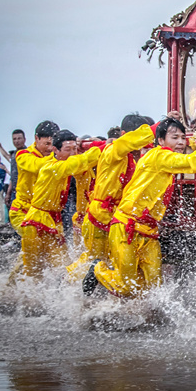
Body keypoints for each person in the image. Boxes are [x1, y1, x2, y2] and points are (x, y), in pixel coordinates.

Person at [85, 118, 196, 298]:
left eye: (183, 138)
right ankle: (98, 269)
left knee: (154, 290)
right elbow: (193, 162)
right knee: (126, 288)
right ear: (160, 141)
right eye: (175, 137)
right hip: (126, 227)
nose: (181, 142)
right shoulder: (159, 156)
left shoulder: (165, 159)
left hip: (148, 231)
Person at [66, 114, 155, 279]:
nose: (140, 141)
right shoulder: (113, 150)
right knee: (93, 260)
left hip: (115, 219)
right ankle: (65, 285)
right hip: (98, 216)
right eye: (136, 136)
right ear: (124, 135)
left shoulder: (134, 159)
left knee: (111, 262)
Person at [19, 130, 102, 278]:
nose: (72, 153)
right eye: (67, 149)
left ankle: (59, 298)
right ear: (55, 150)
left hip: (53, 222)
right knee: (32, 272)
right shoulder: (52, 167)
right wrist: (104, 146)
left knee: (63, 266)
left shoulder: (64, 165)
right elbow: (80, 161)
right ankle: (9, 294)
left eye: (74, 149)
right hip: (36, 221)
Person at [9, 121, 59, 235]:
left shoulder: (53, 156)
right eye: (47, 144)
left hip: (46, 213)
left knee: (58, 250)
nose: (50, 148)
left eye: (53, 144)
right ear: (36, 138)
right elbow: (39, 166)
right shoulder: (23, 155)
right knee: (32, 239)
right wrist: (58, 155)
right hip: (23, 211)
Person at [6, 129, 27, 206]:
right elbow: (13, 175)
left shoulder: (28, 154)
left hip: (25, 192)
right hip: (14, 191)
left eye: (19, 138)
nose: (16, 141)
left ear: (24, 139)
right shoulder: (13, 155)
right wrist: (8, 193)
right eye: (14, 139)